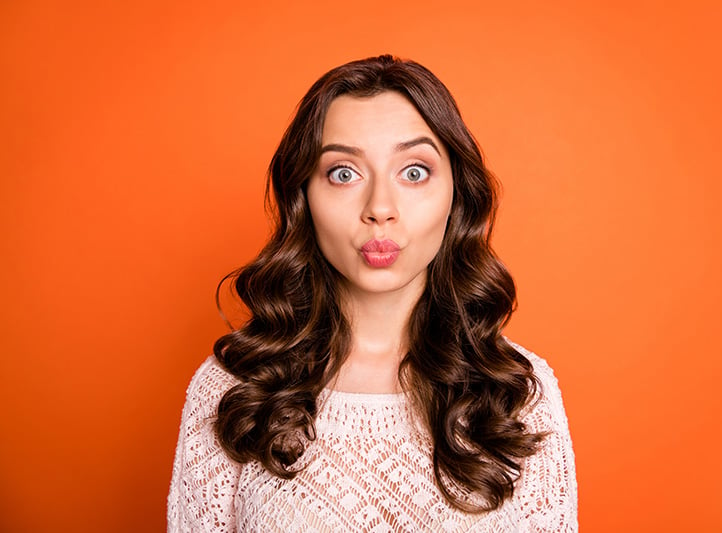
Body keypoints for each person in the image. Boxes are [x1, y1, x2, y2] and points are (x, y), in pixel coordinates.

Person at [167, 54, 578, 532]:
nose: (380, 208)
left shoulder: (518, 394)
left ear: (456, 194)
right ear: (304, 198)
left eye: (414, 171)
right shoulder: (235, 389)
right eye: (344, 173)